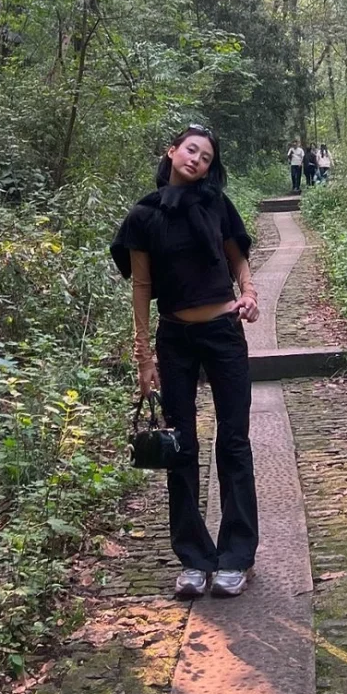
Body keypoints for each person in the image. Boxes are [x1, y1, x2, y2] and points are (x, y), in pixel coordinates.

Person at [110, 125, 260, 600]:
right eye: (191, 150)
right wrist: (143, 357)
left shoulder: (217, 205)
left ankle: (236, 557)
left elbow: (237, 260)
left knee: (233, 441)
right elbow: (141, 286)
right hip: (174, 337)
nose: (196, 159)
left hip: (223, 332)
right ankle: (194, 559)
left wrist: (250, 294)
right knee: (182, 447)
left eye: (206, 157)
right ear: (172, 151)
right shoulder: (143, 216)